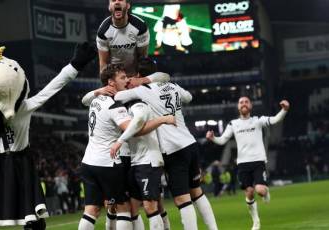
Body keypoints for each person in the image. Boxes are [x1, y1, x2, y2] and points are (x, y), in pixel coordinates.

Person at [0, 42, 96, 230]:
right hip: (20, 163)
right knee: (32, 215)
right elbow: (51, 88)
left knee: (29, 215)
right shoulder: (22, 109)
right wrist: (75, 65)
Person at [114, 59, 218, 230]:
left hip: (173, 149)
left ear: (140, 75)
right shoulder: (173, 86)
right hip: (190, 143)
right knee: (197, 192)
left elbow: (118, 96)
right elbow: (189, 97)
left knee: (182, 199)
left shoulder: (144, 90)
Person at [78, 64, 176, 230]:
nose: (127, 80)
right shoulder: (114, 104)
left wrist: (97, 91)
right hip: (108, 162)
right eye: (122, 78)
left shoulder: (95, 99)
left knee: (91, 210)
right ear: (111, 82)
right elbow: (135, 129)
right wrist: (162, 119)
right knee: (124, 208)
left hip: (88, 162)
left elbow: (84, 99)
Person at [206, 97, 290, 230]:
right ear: (238, 107)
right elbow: (222, 140)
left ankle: (265, 192)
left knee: (260, 190)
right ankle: (256, 221)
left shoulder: (257, 120)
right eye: (241, 102)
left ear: (251, 106)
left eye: (246, 102)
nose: (243, 104)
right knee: (249, 193)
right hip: (243, 164)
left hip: (258, 161)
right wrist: (213, 138)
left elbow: (275, 120)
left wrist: (284, 110)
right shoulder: (233, 124)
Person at [97, 0, 150, 75]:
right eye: (113, 0)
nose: (117, 2)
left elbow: (143, 59)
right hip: (115, 77)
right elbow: (103, 63)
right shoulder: (103, 31)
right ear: (109, 7)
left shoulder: (140, 27)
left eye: (121, 0)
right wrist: (107, 83)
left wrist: (139, 80)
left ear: (128, 5)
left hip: (135, 75)